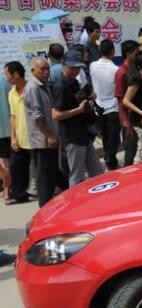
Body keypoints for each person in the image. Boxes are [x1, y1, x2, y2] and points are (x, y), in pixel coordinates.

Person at [52, 49, 104, 187]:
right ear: (64, 65)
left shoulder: (74, 82)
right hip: (72, 138)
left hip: (84, 134)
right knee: (77, 176)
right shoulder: (60, 86)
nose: (76, 70)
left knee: (97, 172)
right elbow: (56, 115)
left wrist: (88, 99)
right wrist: (79, 110)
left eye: (78, 67)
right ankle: (75, 204)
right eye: (73, 67)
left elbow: (78, 103)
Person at [25, 57, 62, 207]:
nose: (46, 72)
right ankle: (44, 206)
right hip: (42, 140)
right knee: (44, 175)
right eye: (42, 69)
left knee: (52, 171)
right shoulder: (33, 88)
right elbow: (37, 116)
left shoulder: (44, 85)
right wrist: (49, 135)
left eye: (47, 68)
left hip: (50, 137)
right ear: (33, 70)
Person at [90, 39, 120, 171]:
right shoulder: (115, 69)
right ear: (113, 51)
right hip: (112, 107)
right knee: (113, 138)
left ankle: (110, 161)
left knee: (106, 137)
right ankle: (111, 162)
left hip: (99, 107)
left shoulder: (92, 66)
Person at [5, 61, 31, 204]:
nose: (6, 78)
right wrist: (13, 137)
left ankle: (62, 187)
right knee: (16, 167)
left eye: (7, 74)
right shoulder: (11, 94)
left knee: (46, 168)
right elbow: (13, 116)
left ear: (16, 74)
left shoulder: (32, 90)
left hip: (34, 137)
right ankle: (19, 195)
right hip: (20, 138)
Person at [115, 40, 139, 166]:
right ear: (128, 54)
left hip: (136, 116)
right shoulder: (122, 73)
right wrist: (125, 122)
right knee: (130, 151)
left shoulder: (133, 70)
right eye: (136, 53)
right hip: (128, 118)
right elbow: (120, 100)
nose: (138, 55)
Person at [0, 74, 11, 204]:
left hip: (5, 128)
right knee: (6, 161)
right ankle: (7, 187)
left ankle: (7, 188)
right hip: (6, 127)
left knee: (5, 161)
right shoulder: (4, 80)